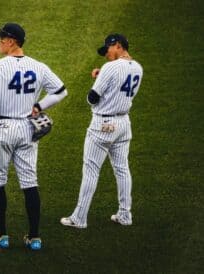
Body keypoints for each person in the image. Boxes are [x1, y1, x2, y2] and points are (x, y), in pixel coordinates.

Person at [0, 22, 67, 250]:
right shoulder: (39, 66)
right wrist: (39, 105)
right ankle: (34, 238)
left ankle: (1, 237)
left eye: (2, 38)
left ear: (12, 40)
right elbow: (61, 91)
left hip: (1, 128)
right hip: (27, 129)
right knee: (29, 183)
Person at [61, 33, 143, 228]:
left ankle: (79, 218)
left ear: (118, 45)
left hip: (103, 125)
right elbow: (119, 87)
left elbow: (92, 98)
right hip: (124, 124)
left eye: (108, 49)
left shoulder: (110, 68)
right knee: (122, 169)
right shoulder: (138, 68)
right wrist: (103, 77)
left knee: (90, 170)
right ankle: (125, 215)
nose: (106, 54)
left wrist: (99, 78)